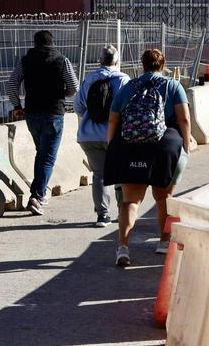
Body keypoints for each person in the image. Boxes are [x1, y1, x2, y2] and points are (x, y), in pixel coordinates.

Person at [104, 48, 195, 268]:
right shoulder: (172, 85)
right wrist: (186, 143)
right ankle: (164, 242)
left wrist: (112, 144)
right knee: (163, 197)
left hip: (131, 146)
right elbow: (183, 118)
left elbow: (113, 120)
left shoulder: (129, 87)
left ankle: (123, 247)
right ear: (162, 65)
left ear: (142, 64)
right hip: (163, 148)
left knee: (130, 201)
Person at [7, 30, 78, 216]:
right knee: (48, 157)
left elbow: (12, 84)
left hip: (32, 114)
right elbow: (74, 87)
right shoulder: (62, 60)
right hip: (54, 114)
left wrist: (17, 105)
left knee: (41, 153)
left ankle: (40, 192)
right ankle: (37, 196)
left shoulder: (26, 60)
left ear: (35, 43)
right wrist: (63, 95)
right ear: (52, 43)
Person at [73, 45, 130, 228]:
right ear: (117, 61)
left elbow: (78, 107)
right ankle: (123, 214)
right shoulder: (123, 80)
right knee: (120, 174)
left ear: (100, 61)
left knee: (99, 175)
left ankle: (102, 215)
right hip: (115, 135)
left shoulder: (89, 79)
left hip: (89, 135)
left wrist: (91, 118)